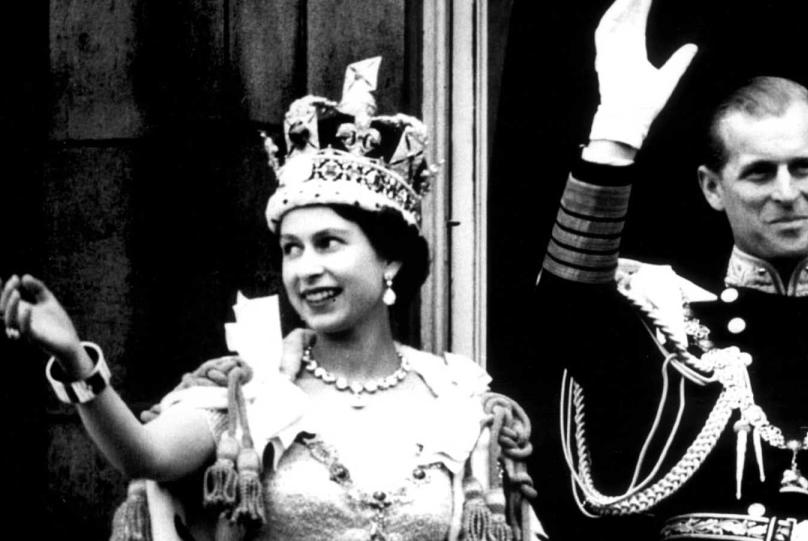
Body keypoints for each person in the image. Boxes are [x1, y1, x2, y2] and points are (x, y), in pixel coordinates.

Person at [1, 57, 537, 541]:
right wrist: (74, 360)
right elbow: (144, 454)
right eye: (291, 249)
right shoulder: (251, 391)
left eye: (329, 244)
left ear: (390, 259)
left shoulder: (456, 397)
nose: (307, 269)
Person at [529, 0, 808, 539]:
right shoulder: (673, 330)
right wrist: (614, 138)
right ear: (713, 187)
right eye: (759, 173)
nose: (786, 193)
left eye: (802, 167)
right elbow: (562, 323)